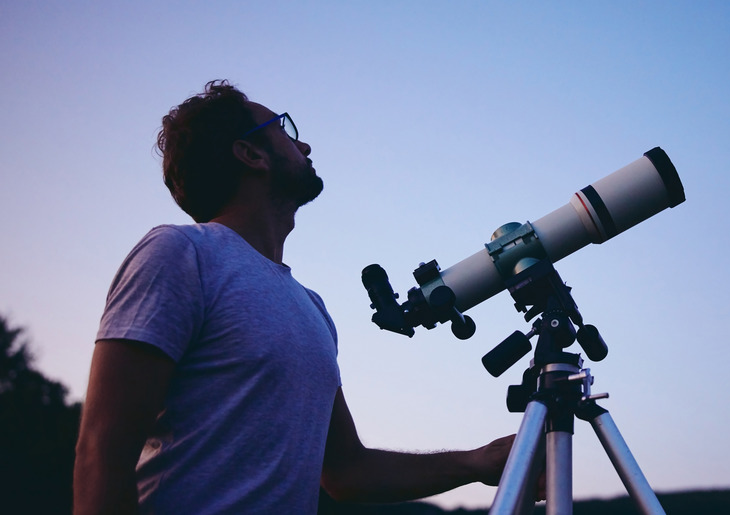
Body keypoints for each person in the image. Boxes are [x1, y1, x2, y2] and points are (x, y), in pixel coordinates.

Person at [73, 80, 514, 514]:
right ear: (250, 154)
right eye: (284, 130)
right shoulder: (179, 254)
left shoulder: (312, 307)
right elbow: (101, 453)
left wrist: (477, 462)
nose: (304, 148)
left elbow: (346, 471)